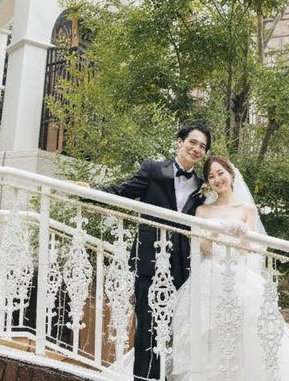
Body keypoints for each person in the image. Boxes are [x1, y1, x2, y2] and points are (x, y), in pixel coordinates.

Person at [170, 155, 289, 381]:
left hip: (238, 274)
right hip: (209, 275)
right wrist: (215, 234)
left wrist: (240, 234)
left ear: (231, 175)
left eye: (220, 173)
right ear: (208, 182)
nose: (217, 179)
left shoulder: (247, 209)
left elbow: (247, 250)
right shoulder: (203, 211)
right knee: (208, 333)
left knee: (245, 330)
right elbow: (201, 247)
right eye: (211, 176)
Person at [101, 121, 211, 381]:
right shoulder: (153, 170)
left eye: (202, 146)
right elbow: (123, 192)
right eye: (192, 142)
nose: (196, 149)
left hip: (183, 267)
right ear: (179, 142)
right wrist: (90, 193)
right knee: (147, 329)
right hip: (150, 260)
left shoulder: (202, 186)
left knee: (173, 331)